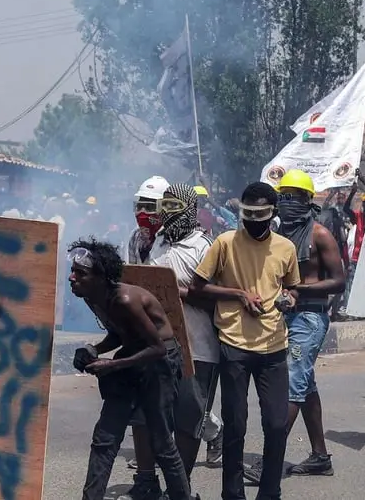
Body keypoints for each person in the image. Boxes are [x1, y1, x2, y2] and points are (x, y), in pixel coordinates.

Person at [191, 182, 300, 500]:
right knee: (236, 426)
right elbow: (198, 286)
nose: (253, 221)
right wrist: (238, 294)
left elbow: (292, 289)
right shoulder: (225, 243)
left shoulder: (285, 248)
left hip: (273, 346)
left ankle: (270, 492)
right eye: (247, 214)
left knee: (277, 424)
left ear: (272, 214)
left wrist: (289, 300)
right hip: (234, 344)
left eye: (260, 215)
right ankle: (232, 494)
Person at [70, 239, 194, 500]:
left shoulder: (125, 299)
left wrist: (111, 364)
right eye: (73, 271)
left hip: (159, 362)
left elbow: (157, 347)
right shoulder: (91, 296)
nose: (72, 278)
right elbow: (120, 333)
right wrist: (94, 350)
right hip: (132, 358)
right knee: (104, 439)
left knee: (161, 442)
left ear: (100, 277)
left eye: (80, 274)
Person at [122, 183, 219, 499]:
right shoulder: (156, 246)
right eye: (165, 207)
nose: (167, 214)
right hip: (158, 347)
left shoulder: (205, 249)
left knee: (188, 422)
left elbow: (219, 302)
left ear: (190, 211)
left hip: (199, 348)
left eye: (175, 208)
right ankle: (147, 481)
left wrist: (177, 294)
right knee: (148, 415)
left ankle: (180, 489)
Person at [261, 169, 345, 479]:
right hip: (284, 316)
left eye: (295, 197)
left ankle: (271, 461)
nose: (287, 203)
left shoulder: (319, 235)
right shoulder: (277, 235)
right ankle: (320, 456)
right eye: (283, 197)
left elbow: (339, 282)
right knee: (305, 387)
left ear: (308, 201)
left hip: (309, 317)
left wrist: (299, 290)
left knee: (292, 385)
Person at [127, 176, 170, 264]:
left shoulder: (170, 238)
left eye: (149, 207)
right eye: (139, 207)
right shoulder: (135, 236)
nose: (142, 213)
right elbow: (132, 270)